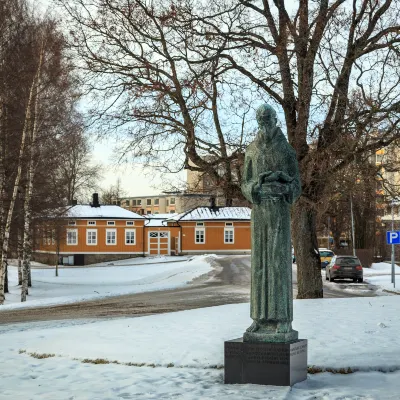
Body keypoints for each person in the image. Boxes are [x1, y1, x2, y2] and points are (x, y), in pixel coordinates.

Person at [241, 104, 301, 342]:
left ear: (276, 120)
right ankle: (259, 319)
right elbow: (245, 183)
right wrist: (255, 186)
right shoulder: (251, 150)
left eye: (267, 118)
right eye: (260, 119)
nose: (264, 122)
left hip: (279, 213)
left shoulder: (287, 151)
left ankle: (282, 320)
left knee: (278, 263)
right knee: (259, 266)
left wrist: (286, 184)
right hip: (260, 213)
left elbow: (297, 184)